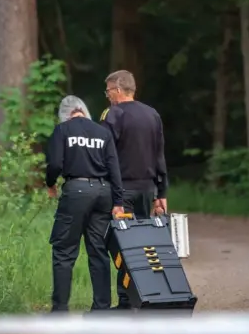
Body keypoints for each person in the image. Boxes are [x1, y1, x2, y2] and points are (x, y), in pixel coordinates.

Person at [46, 95, 124, 313]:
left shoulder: (62, 131)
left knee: (64, 250)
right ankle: (101, 309)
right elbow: (114, 169)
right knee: (98, 251)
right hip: (103, 193)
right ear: (84, 110)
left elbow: (54, 164)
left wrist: (50, 183)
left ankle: (60, 310)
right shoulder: (102, 132)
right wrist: (118, 201)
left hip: (76, 191)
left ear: (65, 114)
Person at [99, 69, 168, 310]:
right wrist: (162, 194)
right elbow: (160, 156)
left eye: (108, 91)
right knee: (144, 244)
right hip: (147, 189)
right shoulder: (153, 115)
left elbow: (105, 155)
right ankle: (149, 294)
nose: (107, 96)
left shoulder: (113, 115)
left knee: (123, 245)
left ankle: (126, 300)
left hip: (122, 191)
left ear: (118, 90)